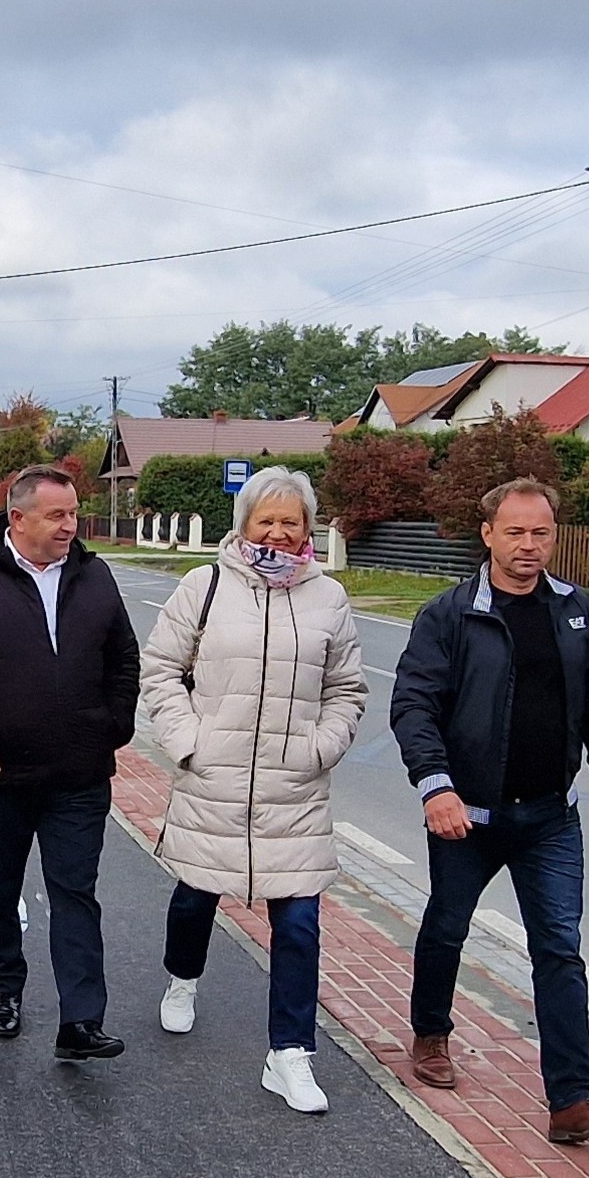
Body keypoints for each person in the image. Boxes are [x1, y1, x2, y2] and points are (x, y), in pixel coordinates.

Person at [386, 477, 589, 1143]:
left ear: (553, 536)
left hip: (551, 818)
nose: (528, 545)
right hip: (467, 816)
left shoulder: (575, 610)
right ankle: (430, 1033)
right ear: (488, 534)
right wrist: (435, 786)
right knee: (446, 926)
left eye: (540, 533)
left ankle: (570, 1101)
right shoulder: (448, 615)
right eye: (515, 532)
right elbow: (413, 705)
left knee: (559, 949)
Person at [138, 467, 366, 1114]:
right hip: (214, 777)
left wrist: (321, 747)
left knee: (298, 923)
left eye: (290, 521)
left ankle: (289, 1054)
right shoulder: (204, 585)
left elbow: (346, 688)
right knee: (194, 898)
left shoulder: (328, 598)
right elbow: (160, 669)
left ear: (307, 528)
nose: (278, 531)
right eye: (266, 519)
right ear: (244, 524)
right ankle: (182, 977)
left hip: (293, 788)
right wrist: (189, 741)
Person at [0, 465, 140, 1060]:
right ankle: (5, 989)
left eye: (74, 513)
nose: (71, 526)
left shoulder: (94, 576)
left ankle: (81, 1021)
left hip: (79, 776)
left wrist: (113, 726)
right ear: (17, 518)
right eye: (56, 515)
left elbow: (123, 658)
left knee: (75, 893)